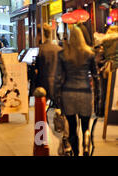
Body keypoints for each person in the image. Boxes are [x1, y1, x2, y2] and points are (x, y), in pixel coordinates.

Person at [54, 25, 96, 156]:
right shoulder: (90, 53)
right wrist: (99, 98)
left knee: (72, 128)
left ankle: (76, 152)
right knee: (85, 125)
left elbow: (58, 78)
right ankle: (87, 142)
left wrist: (57, 97)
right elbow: (96, 77)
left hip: (68, 94)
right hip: (85, 93)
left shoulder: (63, 54)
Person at [35, 24, 62, 101]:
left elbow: (38, 69)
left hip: (43, 84)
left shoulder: (41, 49)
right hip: (58, 84)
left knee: (42, 110)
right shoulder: (59, 49)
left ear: (40, 35)